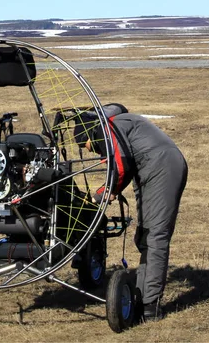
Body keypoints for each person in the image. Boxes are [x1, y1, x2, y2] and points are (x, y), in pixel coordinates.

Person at [75, 103, 188, 322]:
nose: (92, 151)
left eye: (88, 145)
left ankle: (149, 307)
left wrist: (105, 193)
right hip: (151, 167)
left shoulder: (107, 128)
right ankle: (141, 295)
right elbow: (123, 166)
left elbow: (121, 166)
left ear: (90, 132)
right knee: (145, 236)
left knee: (155, 235)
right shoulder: (120, 124)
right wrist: (108, 191)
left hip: (161, 167)